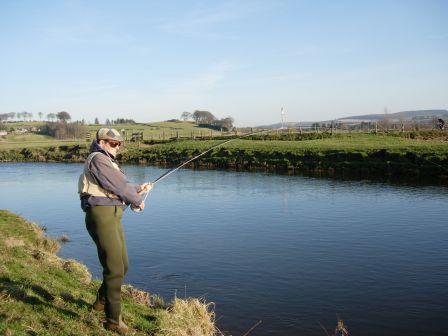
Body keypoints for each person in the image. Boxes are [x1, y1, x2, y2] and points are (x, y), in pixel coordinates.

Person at [78, 128, 152, 334]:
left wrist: (138, 188)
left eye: (119, 144)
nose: (117, 147)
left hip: (112, 215)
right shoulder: (99, 159)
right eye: (113, 143)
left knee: (122, 265)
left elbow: (119, 186)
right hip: (102, 216)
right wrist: (137, 200)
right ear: (101, 142)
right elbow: (119, 186)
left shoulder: (107, 160)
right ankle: (113, 321)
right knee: (114, 268)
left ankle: (101, 302)